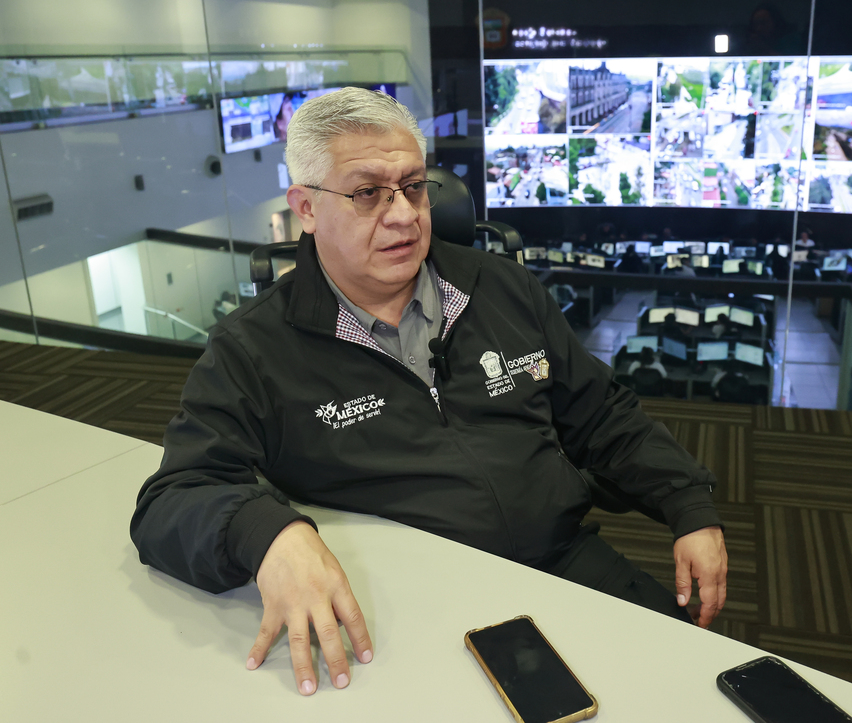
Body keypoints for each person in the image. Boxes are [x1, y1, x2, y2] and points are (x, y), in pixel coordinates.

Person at [130, 88, 727, 697]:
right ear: (305, 208)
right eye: (367, 193)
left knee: (686, 691)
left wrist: (687, 503)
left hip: (566, 561)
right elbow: (171, 501)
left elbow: (601, 414)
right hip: (410, 606)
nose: (404, 215)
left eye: (414, 187)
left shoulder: (501, 286)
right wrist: (269, 535)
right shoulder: (253, 348)